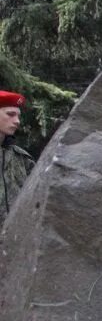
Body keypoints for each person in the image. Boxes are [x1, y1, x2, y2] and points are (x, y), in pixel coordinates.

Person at [1, 90, 34, 229]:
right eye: (10, 114)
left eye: (18, 116)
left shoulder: (22, 158)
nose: (17, 121)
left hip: (15, 242)